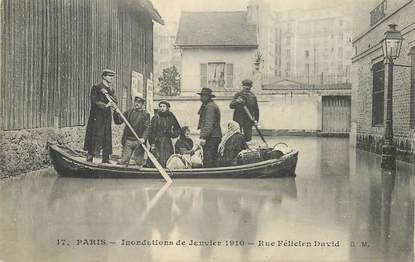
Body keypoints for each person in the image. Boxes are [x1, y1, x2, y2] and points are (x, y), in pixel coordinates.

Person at [84, 69, 117, 163]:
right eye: (109, 76)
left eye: (112, 76)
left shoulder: (111, 90)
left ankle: (105, 159)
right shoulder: (97, 87)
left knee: (106, 136)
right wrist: (106, 105)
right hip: (97, 116)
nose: (111, 78)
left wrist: (109, 96)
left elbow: (115, 100)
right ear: (104, 76)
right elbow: (94, 101)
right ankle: (90, 157)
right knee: (95, 135)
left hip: (107, 116)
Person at [113, 96, 150, 167]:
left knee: (139, 163)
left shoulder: (146, 114)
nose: (137, 104)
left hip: (139, 141)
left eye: (139, 102)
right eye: (136, 102)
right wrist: (115, 113)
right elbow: (118, 121)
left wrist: (143, 138)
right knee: (123, 162)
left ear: (142, 104)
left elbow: (147, 128)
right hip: (128, 141)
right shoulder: (129, 112)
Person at [149, 101, 181, 167]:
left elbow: (178, 129)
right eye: (160, 106)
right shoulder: (155, 117)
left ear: (167, 108)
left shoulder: (171, 117)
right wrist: (152, 143)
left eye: (164, 106)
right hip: (157, 142)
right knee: (156, 161)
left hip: (167, 142)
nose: (162, 108)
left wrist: (172, 134)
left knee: (167, 162)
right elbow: (151, 131)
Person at [197, 87, 222, 167]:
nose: (201, 98)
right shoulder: (209, 105)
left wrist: (203, 137)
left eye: (203, 96)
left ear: (208, 97)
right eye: (201, 96)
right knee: (210, 158)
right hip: (213, 136)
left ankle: (209, 177)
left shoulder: (210, 107)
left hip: (212, 137)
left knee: (209, 160)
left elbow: (208, 124)